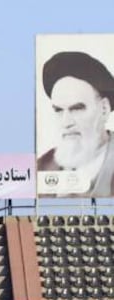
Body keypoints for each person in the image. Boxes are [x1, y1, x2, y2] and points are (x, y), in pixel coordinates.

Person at [38, 51, 114, 196]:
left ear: (104, 109)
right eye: (59, 110)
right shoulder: (41, 167)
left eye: (77, 109)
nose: (66, 123)